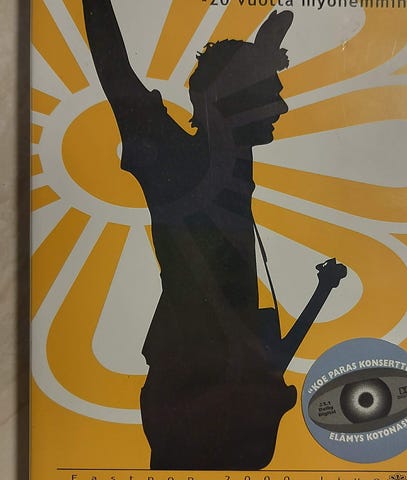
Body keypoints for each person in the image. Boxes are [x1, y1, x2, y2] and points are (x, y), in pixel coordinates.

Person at [82, 1, 346, 469]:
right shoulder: (174, 160)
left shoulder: (232, 162)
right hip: (192, 391)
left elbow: (271, 359)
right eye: (270, 93)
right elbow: (116, 72)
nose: (282, 107)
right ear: (230, 97)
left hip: (226, 397)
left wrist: (262, 54)